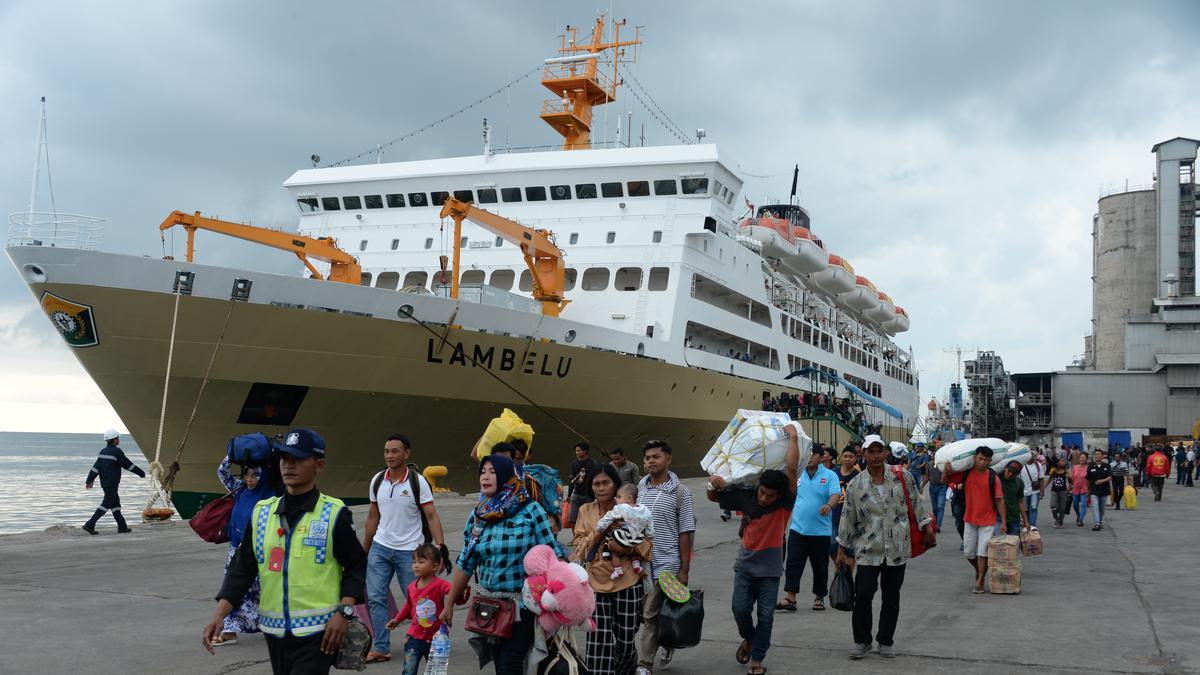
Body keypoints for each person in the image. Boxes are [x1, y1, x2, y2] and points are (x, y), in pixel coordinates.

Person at [203, 428, 368, 675]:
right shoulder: (262, 513)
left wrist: (343, 612)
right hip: (274, 631)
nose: (288, 466)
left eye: (298, 459)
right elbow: (243, 567)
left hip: (319, 631)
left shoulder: (334, 514)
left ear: (319, 465)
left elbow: (355, 565)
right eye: (284, 459)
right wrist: (220, 615)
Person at [443, 454, 563, 675]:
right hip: (489, 606)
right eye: (482, 472)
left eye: (492, 471)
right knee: (500, 663)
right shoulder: (479, 515)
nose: (485, 477)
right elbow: (465, 563)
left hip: (522, 605)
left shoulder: (530, 510)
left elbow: (553, 554)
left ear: (507, 475)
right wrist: (449, 604)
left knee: (510, 663)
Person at [707, 426, 800, 675]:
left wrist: (792, 436)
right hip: (745, 566)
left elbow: (791, 469)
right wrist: (712, 484)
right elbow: (714, 497)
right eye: (762, 492)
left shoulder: (785, 504)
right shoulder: (747, 497)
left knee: (767, 616)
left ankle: (757, 659)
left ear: (780, 495)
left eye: (770, 495)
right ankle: (749, 638)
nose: (764, 498)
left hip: (770, 570)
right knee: (739, 610)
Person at [836, 435, 934, 658]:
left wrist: (926, 526)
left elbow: (916, 502)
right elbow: (847, 516)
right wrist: (842, 549)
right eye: (871, 451)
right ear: (864, 454)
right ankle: (862, 641)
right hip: (867, 550)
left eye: (879, 451)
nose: (876, 456)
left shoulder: (902, 477)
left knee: (891, 597)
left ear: (886, 453)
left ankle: (886, 641)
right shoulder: (855, 484)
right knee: (862, 596)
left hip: (897, 548)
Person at [363, 434, 448, 664]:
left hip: (411, 551)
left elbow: (431, 515)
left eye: (395, 451)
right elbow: (372, 517)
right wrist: (365, 548)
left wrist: (440, 548)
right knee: (375, 597)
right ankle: (381, 647)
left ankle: (427, 641)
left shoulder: (417, 481)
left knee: (421, 600)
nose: (390, 455)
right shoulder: (378, 480)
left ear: (406, 453)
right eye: (386, 451)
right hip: (380, 547)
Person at [571, 464, 654, 675]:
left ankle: (627, 669)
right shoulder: (585, 510)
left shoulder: (635, 511)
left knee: (626, 639)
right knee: (598, 640)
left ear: (615, 484)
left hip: (627, 579)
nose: (600, 488)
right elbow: (579, 546)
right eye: (596, 484)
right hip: (595, 582)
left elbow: (648, 546)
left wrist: (625, 545)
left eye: (605, 483)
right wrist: (601, 530)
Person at [636, 440, 696, 675]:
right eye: (647, 457)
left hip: (667, 564)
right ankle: (668, 641)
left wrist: (684, 569)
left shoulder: (681, 492)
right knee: (644, 614)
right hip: (639, 564)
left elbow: (685, 531)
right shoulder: (639, 489)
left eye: (656, 457)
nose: (651, 461)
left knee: (650, 614)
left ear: (668, 459)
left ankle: (644, 665)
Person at [211, 456, 277, 646]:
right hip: (237, 550)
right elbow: (222, 473)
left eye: (255, 475)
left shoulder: (272, 495)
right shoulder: (240, 490)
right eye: (247, 474)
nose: (250, 479)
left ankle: (272, 624)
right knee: (234, 588)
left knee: (266, 589)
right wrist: (230, 456)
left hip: (264, 551)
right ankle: (230, 629)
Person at [778, 445, 842, 612]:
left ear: (821, 458)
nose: (808, 458)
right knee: (793, 564)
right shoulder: (797, 475)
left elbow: (836, 494)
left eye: (812, 455)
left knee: (820, 566)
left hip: (820, 532)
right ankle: (791, 598)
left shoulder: (830, 475)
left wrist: (829, 505)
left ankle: (819, 597)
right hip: (798, 529)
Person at [385, 544, 465, 675]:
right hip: (414, 638)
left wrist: (462, 592)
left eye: (421, 562)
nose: (416, 565)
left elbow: (455, 595)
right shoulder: (412, 587)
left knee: (435, 672)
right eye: (414, 562)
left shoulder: (441, 585)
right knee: (408, 670)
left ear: (434, 566)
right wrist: (397, 619)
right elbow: (409, 606)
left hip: (436, 640)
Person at [942, 447, 1003, 594]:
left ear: (990, 461)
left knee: (983, 552)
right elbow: (944, 481)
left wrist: (1004, 522)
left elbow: (1000, 500)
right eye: (980, 458)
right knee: (969, 553)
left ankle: (980, 581)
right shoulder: (966, 473)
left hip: (988, 520)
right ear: (975, 457)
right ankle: (979, 570)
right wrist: (946, 470)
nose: (982, 462)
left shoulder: (993, 477)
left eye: (986, 460)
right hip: (969, 519)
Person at [82, 428, 146, 534]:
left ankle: (122, 527)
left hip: (105, 483)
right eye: (117, 438)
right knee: (106, 504)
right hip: (112, 483)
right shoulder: (116, 452)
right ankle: (90, 524)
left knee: (115, 505)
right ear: (114, 440)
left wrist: (89, 480)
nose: (118, 440)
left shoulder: (103, 452)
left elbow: (95, 467)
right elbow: (128, 464)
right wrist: (141, 473)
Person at [590, 483, 654, 579]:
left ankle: (617, 569)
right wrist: (650, 535)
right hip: (637, 537)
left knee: (613, 549)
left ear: (629, 498)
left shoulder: (621, 508)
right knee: (633, 550)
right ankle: (636, 564)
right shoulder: (645, 510)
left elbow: (609, 517)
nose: (616, 499)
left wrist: (600, 526)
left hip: (622, 535)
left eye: (619, 497)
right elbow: (650, 526)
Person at [831, 449, 862, 558]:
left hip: (851, 518)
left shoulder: (859, 476)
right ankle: (839, 569)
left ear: (855, 459)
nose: (848, 459)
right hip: (834, 516)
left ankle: (848, 573)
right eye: (845, 456)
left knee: (850, 551)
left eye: (851, 456)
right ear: (841, 457)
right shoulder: (833, 473)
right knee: (832, 547)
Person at [568, 442, 601, 526]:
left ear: (585, 451)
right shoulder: (574, 463)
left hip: (588, 495)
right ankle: (576, 537)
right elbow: (571, 480)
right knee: (572, 519)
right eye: (576, 451)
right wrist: (569, 495)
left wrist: (596, 495)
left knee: (588, 519)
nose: (577, 453)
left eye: (579, 451)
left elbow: (596, 479)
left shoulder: (593, 464)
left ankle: (587, 537)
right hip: (576, 494)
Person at [997, 461, 1030, 536]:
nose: (1010, 474)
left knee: (1014, 544)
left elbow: (1020, 502)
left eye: (1014, 473)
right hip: (998, 517)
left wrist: (1026, 521)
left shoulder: (1019, 483)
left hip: (1013, 517)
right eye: (1009, 471)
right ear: (1005, 468)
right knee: (998, 544)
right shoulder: (996, 479)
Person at [1086, 449, 1113, 531]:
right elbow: (1088, 479)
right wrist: (1088, 490)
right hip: (1094, 490)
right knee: (1095, 506)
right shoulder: (1090, 466)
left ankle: (1100, 522)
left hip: (1104, 490)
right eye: (1096, 454)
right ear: (1094, 456)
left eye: (1099, 454)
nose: (1097, 456)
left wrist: (1102, 480)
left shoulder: (1106, 466)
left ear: (1102, 456)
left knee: (1101, 508)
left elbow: (1110, 477)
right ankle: (1097, 523)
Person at [1019, 453, 1045, 529]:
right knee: (1025, 508)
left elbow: (1041, 478)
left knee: (1033, 507)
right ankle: (1026, 523)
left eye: (1035, 457)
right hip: (1023, 491)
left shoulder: (1038, 465)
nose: (1035, 458)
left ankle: (1032, 525)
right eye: (1033, 457)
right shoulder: (1021, 465)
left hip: (1035, 490)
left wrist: (1042, 490)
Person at [1047, 457, 1072, 528]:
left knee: (1062, 508)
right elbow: (1049, 480)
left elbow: (1071, 482)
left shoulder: (1066, 471)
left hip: (1063, 491)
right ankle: (1056, 519)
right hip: (1054, 491)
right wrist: (1043, 488)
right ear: (1057, 463)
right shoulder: (1053, 471)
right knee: (1053, 505)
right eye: (1062, 461)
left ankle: (1060, 520)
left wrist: (1069, 478)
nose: (1064, 462)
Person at [926, 454, 947, 530]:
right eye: (934, 455)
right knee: (935, 508)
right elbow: (927, 476)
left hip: (942, 487)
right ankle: (935, 523)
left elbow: (948, 475)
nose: (936, 457)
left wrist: (944, 477)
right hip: (932, 487)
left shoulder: (943, 465)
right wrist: (921, 486)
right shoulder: (929, 464)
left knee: (940, 506)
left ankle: (938, 525)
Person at [1070, 452, 1090, 525]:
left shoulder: (1088, 468)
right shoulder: (1075, 467)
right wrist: (1069, 487)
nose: (1082, 459)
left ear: (1086, 459)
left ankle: (1080, 520)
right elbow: (1071, 479)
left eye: (1084, 458)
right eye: (1081, 457)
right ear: (1079, 458)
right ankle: (1078, 515)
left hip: (1085, 489)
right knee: (1075, 505)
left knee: (1083, 505)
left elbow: (1090, 479)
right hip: (1075, 488)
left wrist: (1090, 490)